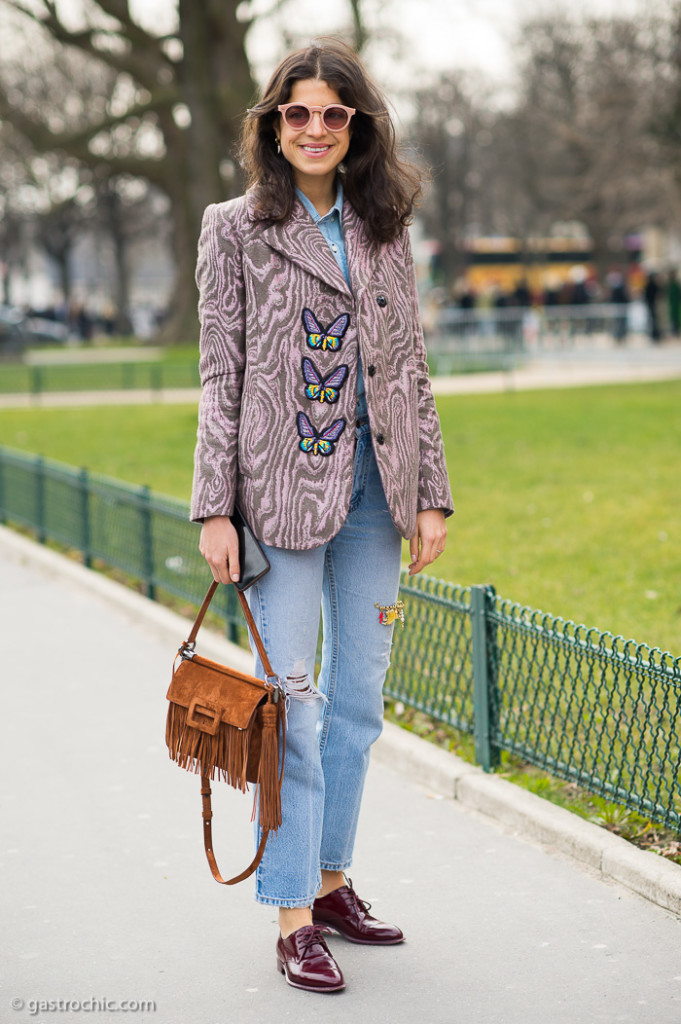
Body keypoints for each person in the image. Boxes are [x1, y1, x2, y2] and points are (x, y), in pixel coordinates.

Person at [191, 37, 453, 994]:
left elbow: (411, 373)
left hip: (377, 500)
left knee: (356, 707)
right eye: (295, 112)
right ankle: (293, 911)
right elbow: (220, 377)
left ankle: (335, 880)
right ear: (272, 123)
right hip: (277, 502)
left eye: (332, 114)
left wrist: (430, 492)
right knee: (289, 708)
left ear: (358, 127)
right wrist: (212, 508)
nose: (313, 128)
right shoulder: (235, 227)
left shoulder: (386, 224)